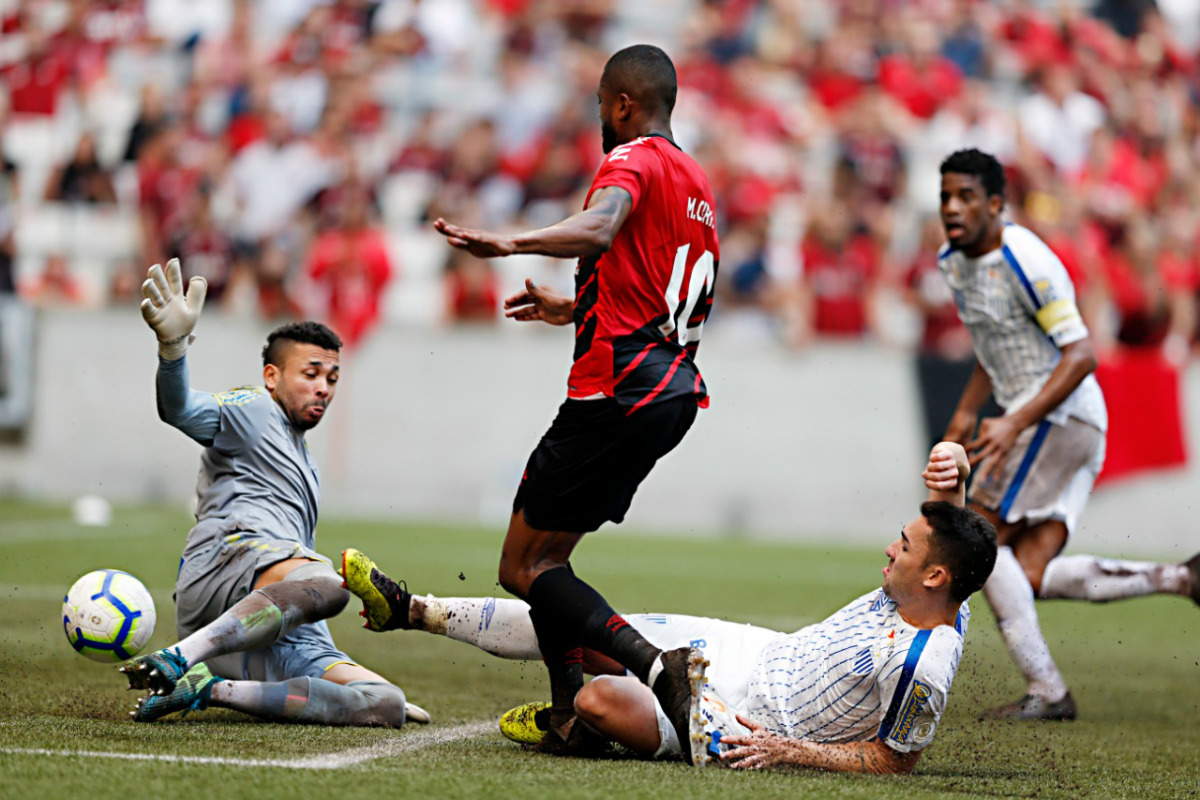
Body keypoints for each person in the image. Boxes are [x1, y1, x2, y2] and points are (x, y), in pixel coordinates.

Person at [341, 442, 995, 773]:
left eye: (904, 544)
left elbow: (894, 760)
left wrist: (787, 749)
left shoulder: (924, 662)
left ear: (934, 576)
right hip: (753, 650)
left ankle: (577, 721)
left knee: (601, 698)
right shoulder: (938, 586)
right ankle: (413, 610)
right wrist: (957, 471)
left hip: (746, 720)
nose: (890, 547)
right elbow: (952, 534)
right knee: (592, 628)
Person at [427, 43, 719, 759]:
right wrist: (577, 306)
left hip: (615, 389)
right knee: (549, 562)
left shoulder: (631, 160)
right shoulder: (696, 182)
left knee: (522, 567)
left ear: (623, 103)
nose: (599, 119)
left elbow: (602, 225)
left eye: (600, 106)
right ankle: (568, 718)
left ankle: (657, 666)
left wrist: (511, 243)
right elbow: (655, 284)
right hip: (670, 391)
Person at [936, 148, 1200, 721]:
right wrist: (966, 412)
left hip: (1057, 417)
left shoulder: (1026, 260)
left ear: (996, 204)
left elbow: (1081, 355)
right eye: (946, 197)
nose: (953, 208)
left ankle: (1048, 691)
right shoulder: (953, 261)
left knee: (975, 538)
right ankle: (1179, 577)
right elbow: (992, 342)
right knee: (1026, 572)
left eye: (967, 197)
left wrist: (1013, 420)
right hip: (1062, 422)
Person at [119, 259, 427, 728]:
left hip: (272, 611)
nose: (323, 389)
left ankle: (207, 688)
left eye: (332, 379)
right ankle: (181, 655)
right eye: (311, 373)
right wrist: (173, 348)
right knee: (332, 585)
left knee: (384, 703)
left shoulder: (307, 462)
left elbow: (300, 581)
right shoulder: (254, 408)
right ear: (271, 376)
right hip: (225, 567)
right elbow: (179, 409)